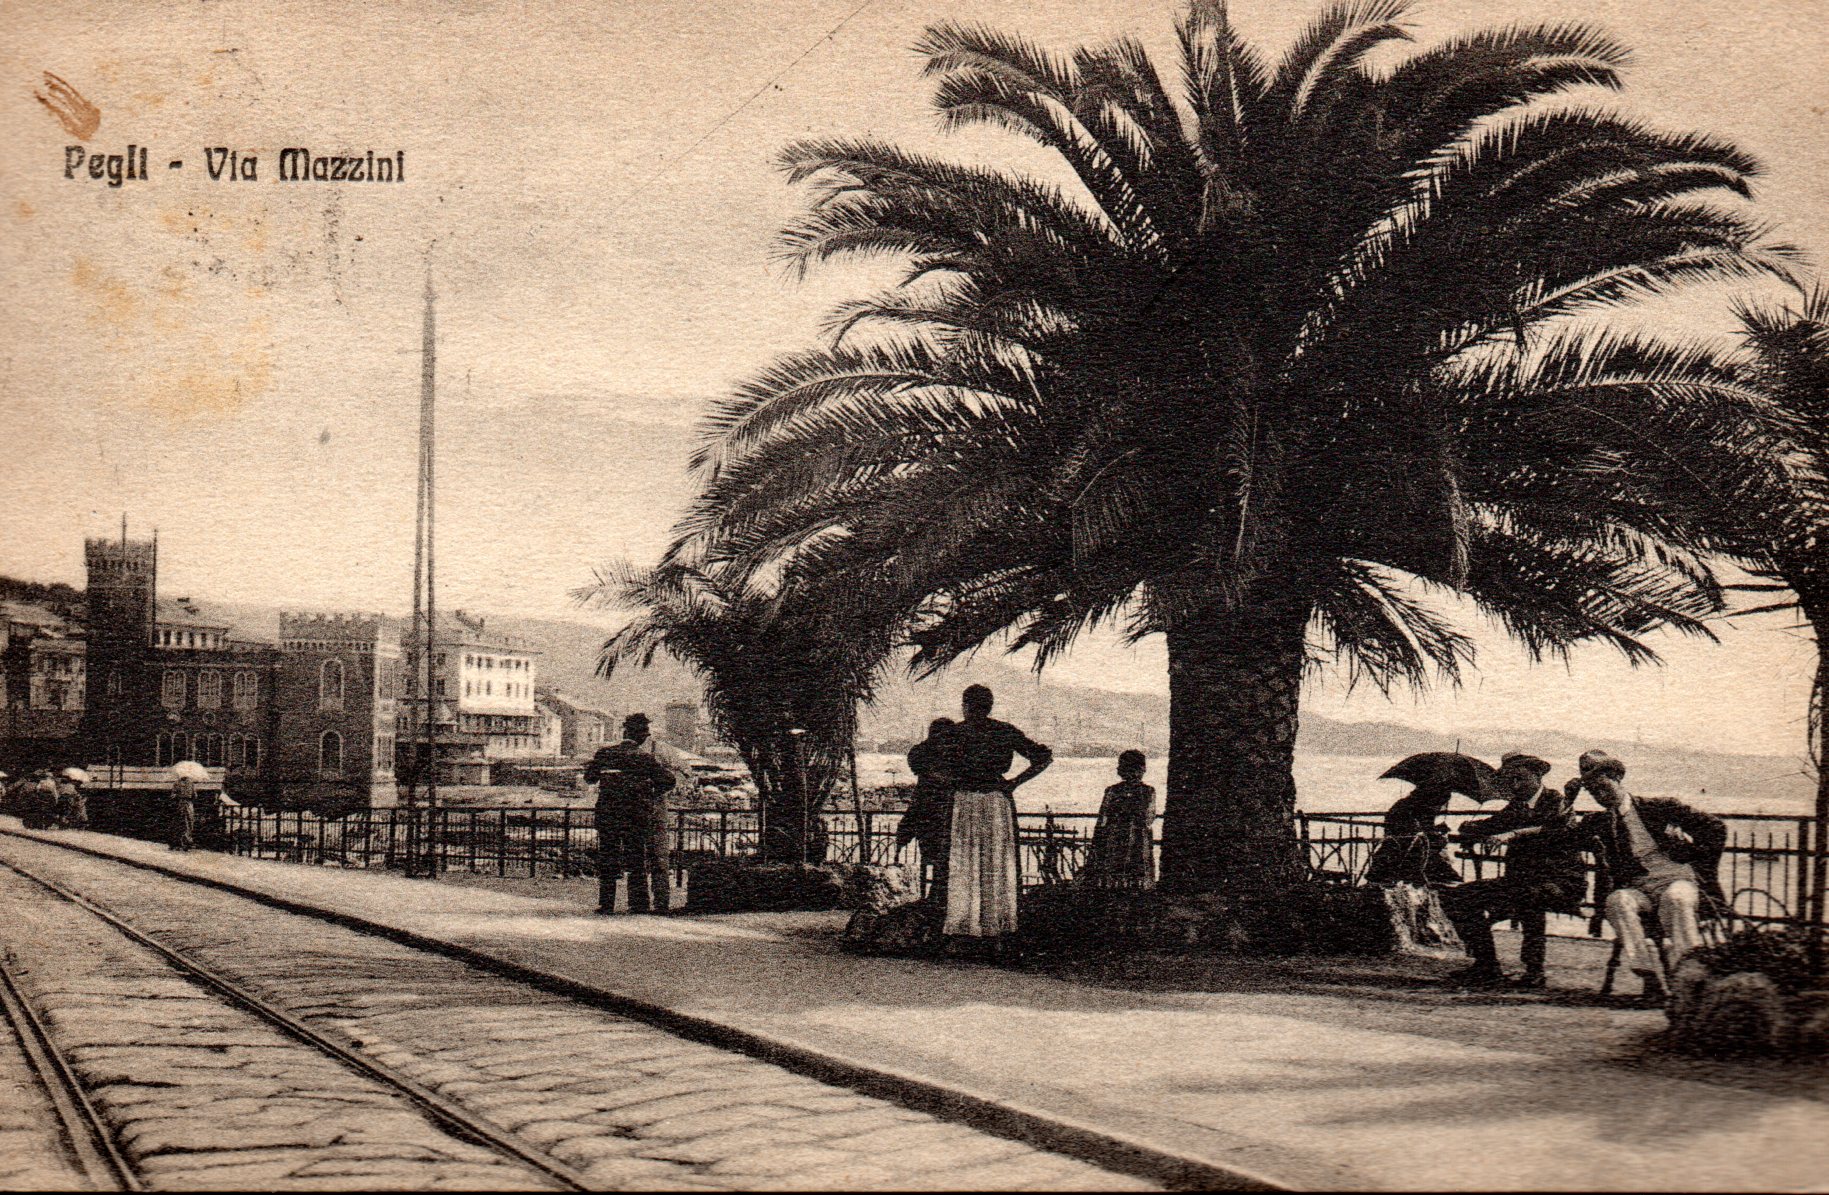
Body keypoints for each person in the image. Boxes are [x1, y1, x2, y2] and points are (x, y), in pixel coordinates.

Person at [1574, 749, 1726, 1001]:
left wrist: (1695, 860)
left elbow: (1716, 828)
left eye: (1603, 787)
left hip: (1678, 880)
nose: (1600, 796)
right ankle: (1649, 973)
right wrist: (1569, 801)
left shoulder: (1661, 808)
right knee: (1617, 901)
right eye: (1593, 792)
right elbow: (1561, 839)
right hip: (1641, 889)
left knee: (1676, 899)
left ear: (1617, 779)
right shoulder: (1598, 823)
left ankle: (1688, 975)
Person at [1440, 753, 1586, 988]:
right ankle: (1486, 965)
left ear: (1537, 776)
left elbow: (1555, 831)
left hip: (1560, 882)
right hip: (1520, 882)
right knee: (1457, 897)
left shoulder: (1557, 802)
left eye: (1519, 779)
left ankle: (1534, 971)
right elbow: (1492, 825)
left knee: (1529, 897)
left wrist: (1511, 834)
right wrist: (1469, 827)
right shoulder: (1516, 806)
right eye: (1510, 780)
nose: (1514, 785)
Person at [939, 685, 1051, 950]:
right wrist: (1013, 783)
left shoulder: (955, 732)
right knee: (996, 862)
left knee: (963, 862)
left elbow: (922, 761)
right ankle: (996, 928)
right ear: (989, 706)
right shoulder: (1003, 730)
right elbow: (1044, 757)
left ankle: (963, 928)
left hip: (966, 801)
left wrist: (951, 782)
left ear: (966, 705)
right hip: (995, 801)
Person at [584, 713, 678, 914]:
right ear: (642, 736)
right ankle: (638, 904)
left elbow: (589, 778)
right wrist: (651, 792)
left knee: (608, 858)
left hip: (608, 816)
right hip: (636, 816)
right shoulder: (646, 759)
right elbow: (669, 780)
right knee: (636, 860)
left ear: (624, 732)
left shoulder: (605, 754)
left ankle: (606, 904)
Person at [898, 718, 957, 905]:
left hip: (928, 818)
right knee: (943, 861)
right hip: (938, 818)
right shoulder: (950, 759)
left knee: (936, 860)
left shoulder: (921, 756)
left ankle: (934, 897)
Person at [1365, 779, 1462, 888]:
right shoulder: (1419, 807)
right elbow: (1418, 830)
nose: (1440, 806)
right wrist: (1437, 834)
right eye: (1440, 803)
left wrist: (1434, 830)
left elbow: (1420, 827)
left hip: (1397, 847)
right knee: (1445, 873)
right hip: (1408, 850)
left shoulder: (1405, 803)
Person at [1083, 750, 1157, 890]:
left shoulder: (1112, 791)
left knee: (1113, 872)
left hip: (1114, 838)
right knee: (1135, 874)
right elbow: (1149, 818)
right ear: (1142, 769)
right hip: (1137, 839)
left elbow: (1102, 819)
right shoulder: (1148, 791)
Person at [168, 775, 197, 851]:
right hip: (182, 805)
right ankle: (178, 843)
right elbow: (172, 795)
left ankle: (186, 843)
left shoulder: (189, 783)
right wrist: (179, 796)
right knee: (181, 823)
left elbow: (194, 795)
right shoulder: (179, 783)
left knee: (188, 823)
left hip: (186, 805)